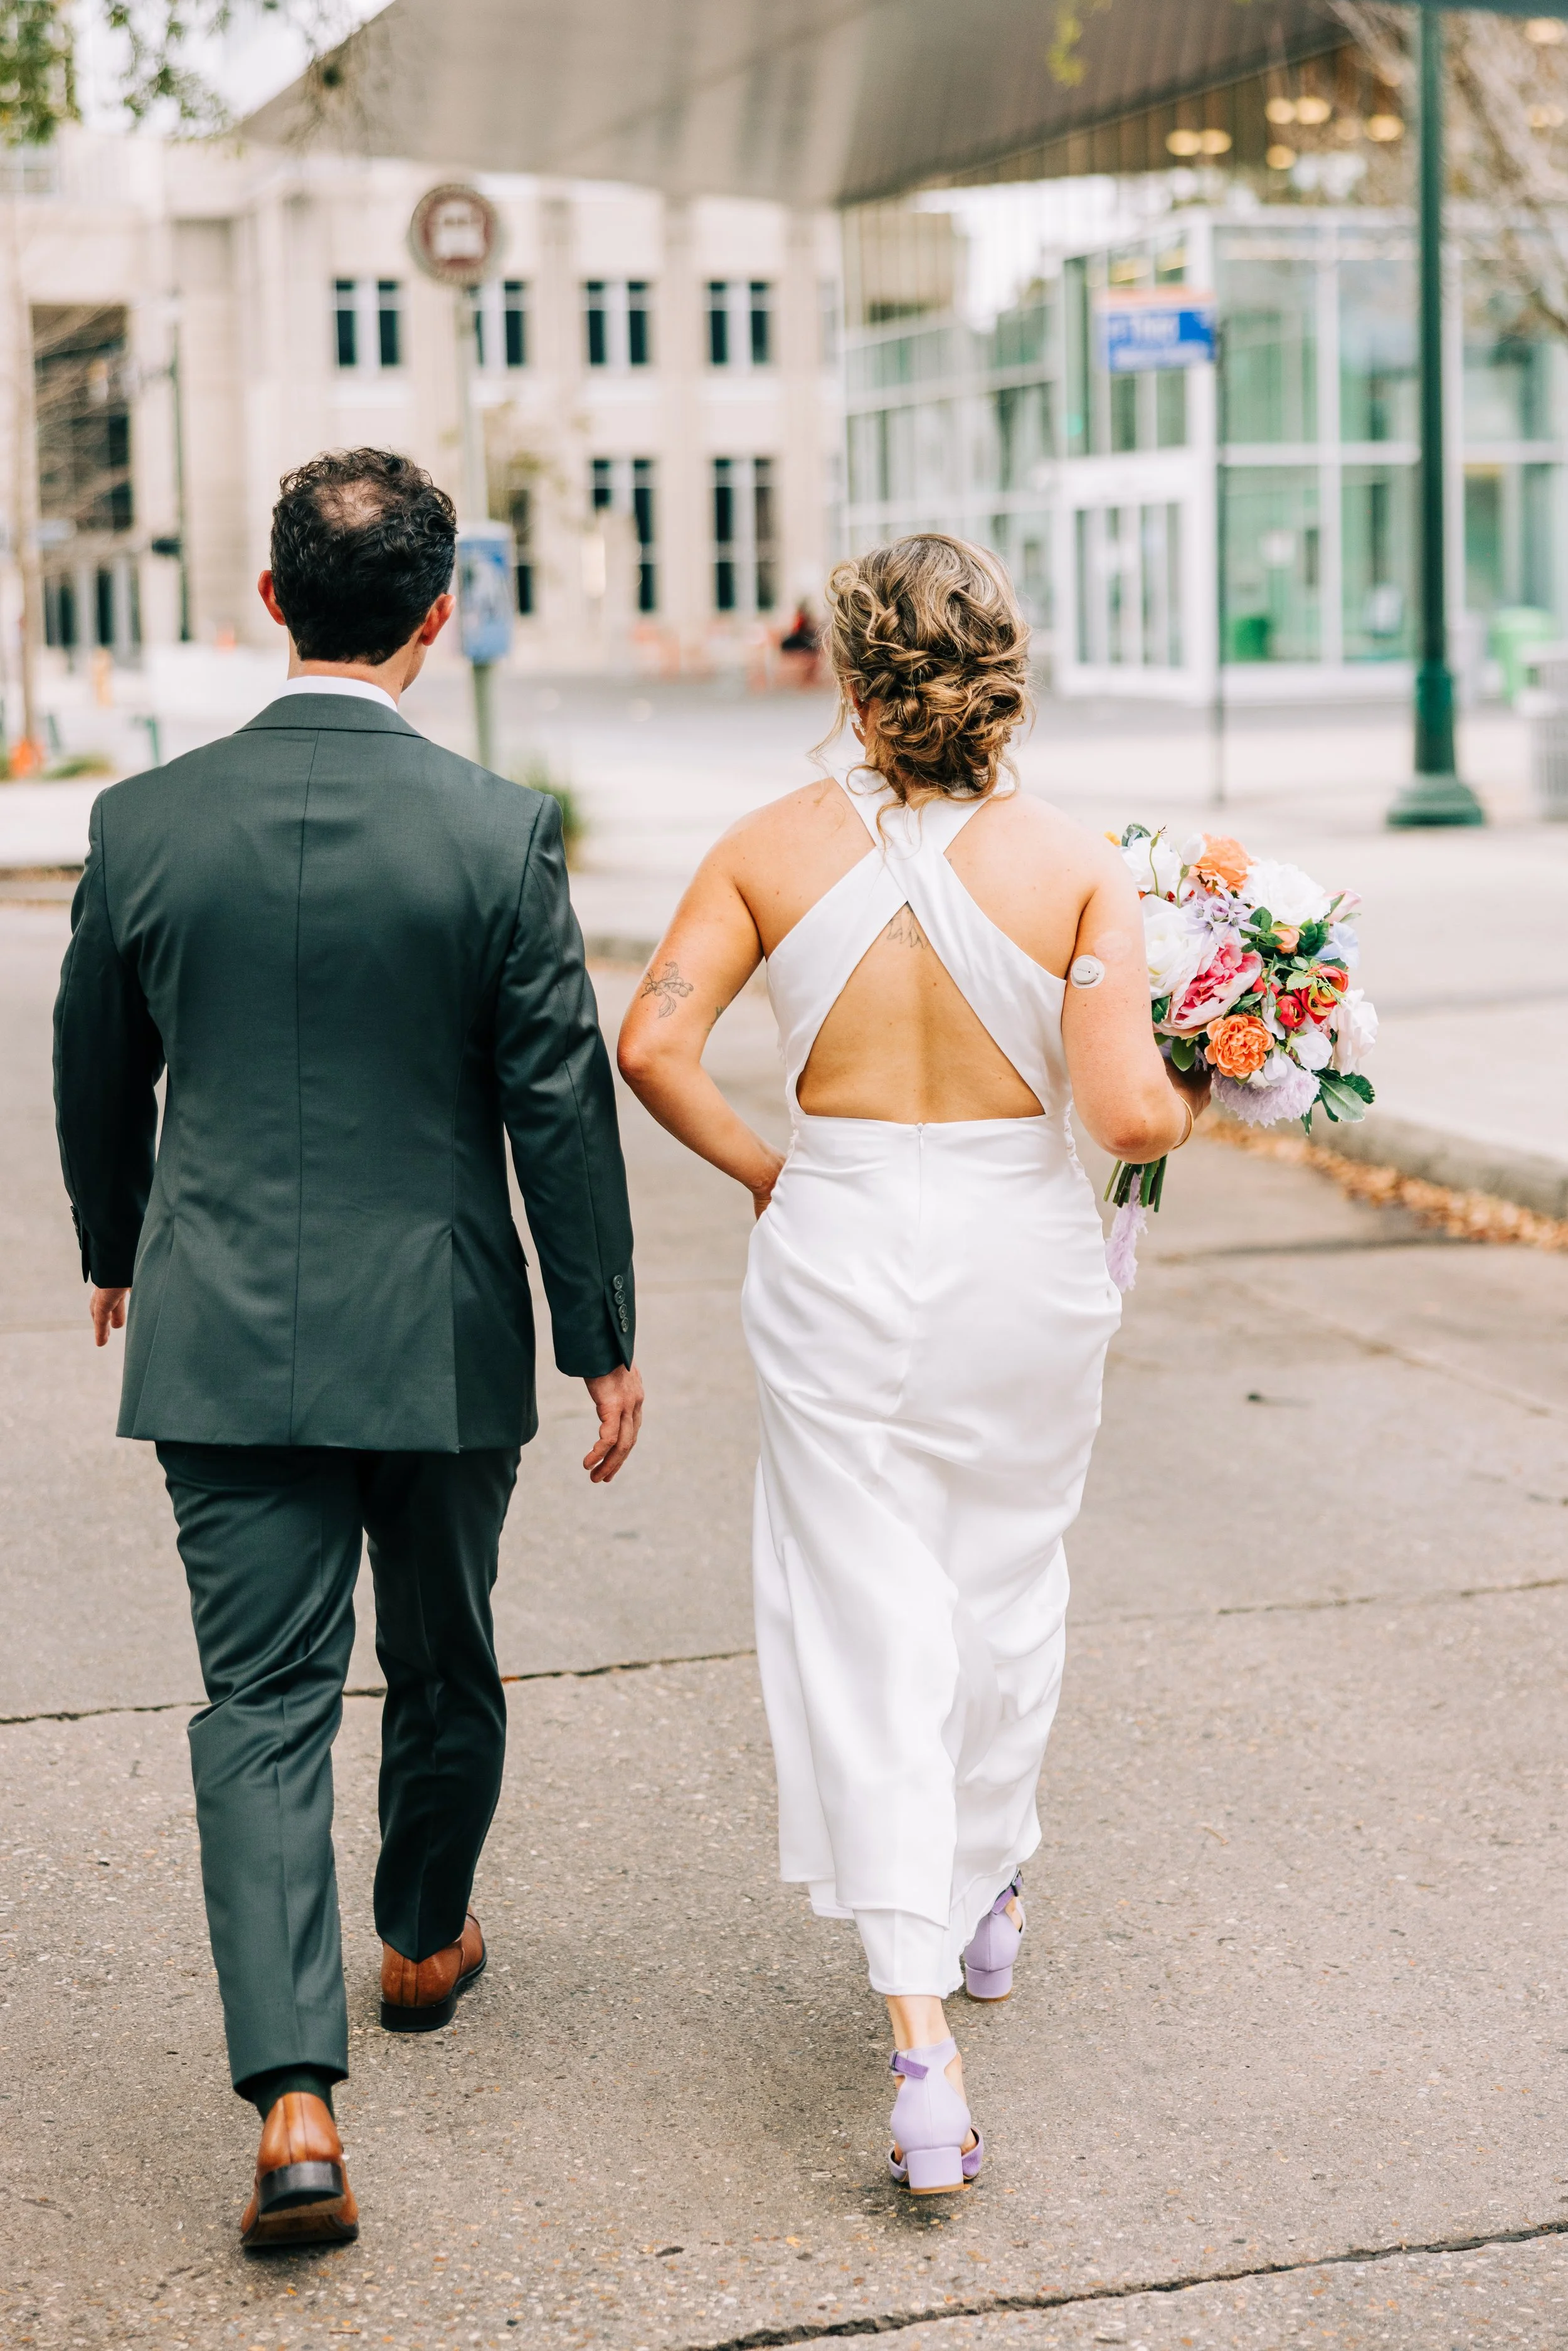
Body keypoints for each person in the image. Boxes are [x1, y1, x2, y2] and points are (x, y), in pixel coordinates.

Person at [53, 448, 642, 2249]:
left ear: (269, 604)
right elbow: (561, 1108)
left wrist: (114, 1249)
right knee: (446, 1653)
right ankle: (414, 1937)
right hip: (446, 1325)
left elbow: (95, 1068)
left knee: (261, 1705)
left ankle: (294, 2101)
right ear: (439, 614)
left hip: (223, 1328)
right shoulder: (492, 830)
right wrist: (601, 1334)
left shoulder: (145, 824)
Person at [618, 533, 1205, 2195]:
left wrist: (760, 1168)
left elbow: (651, 1040)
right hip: (1016, 1260)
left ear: (848, 675)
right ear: (1002, 672)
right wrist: (1199, 1068)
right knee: (1003, 1583)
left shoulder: (761, 850)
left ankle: (917, 2051)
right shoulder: (1075, 866)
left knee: (862, 1611)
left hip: (841, 1241)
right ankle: (986, 1886)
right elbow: (1126, 1116)